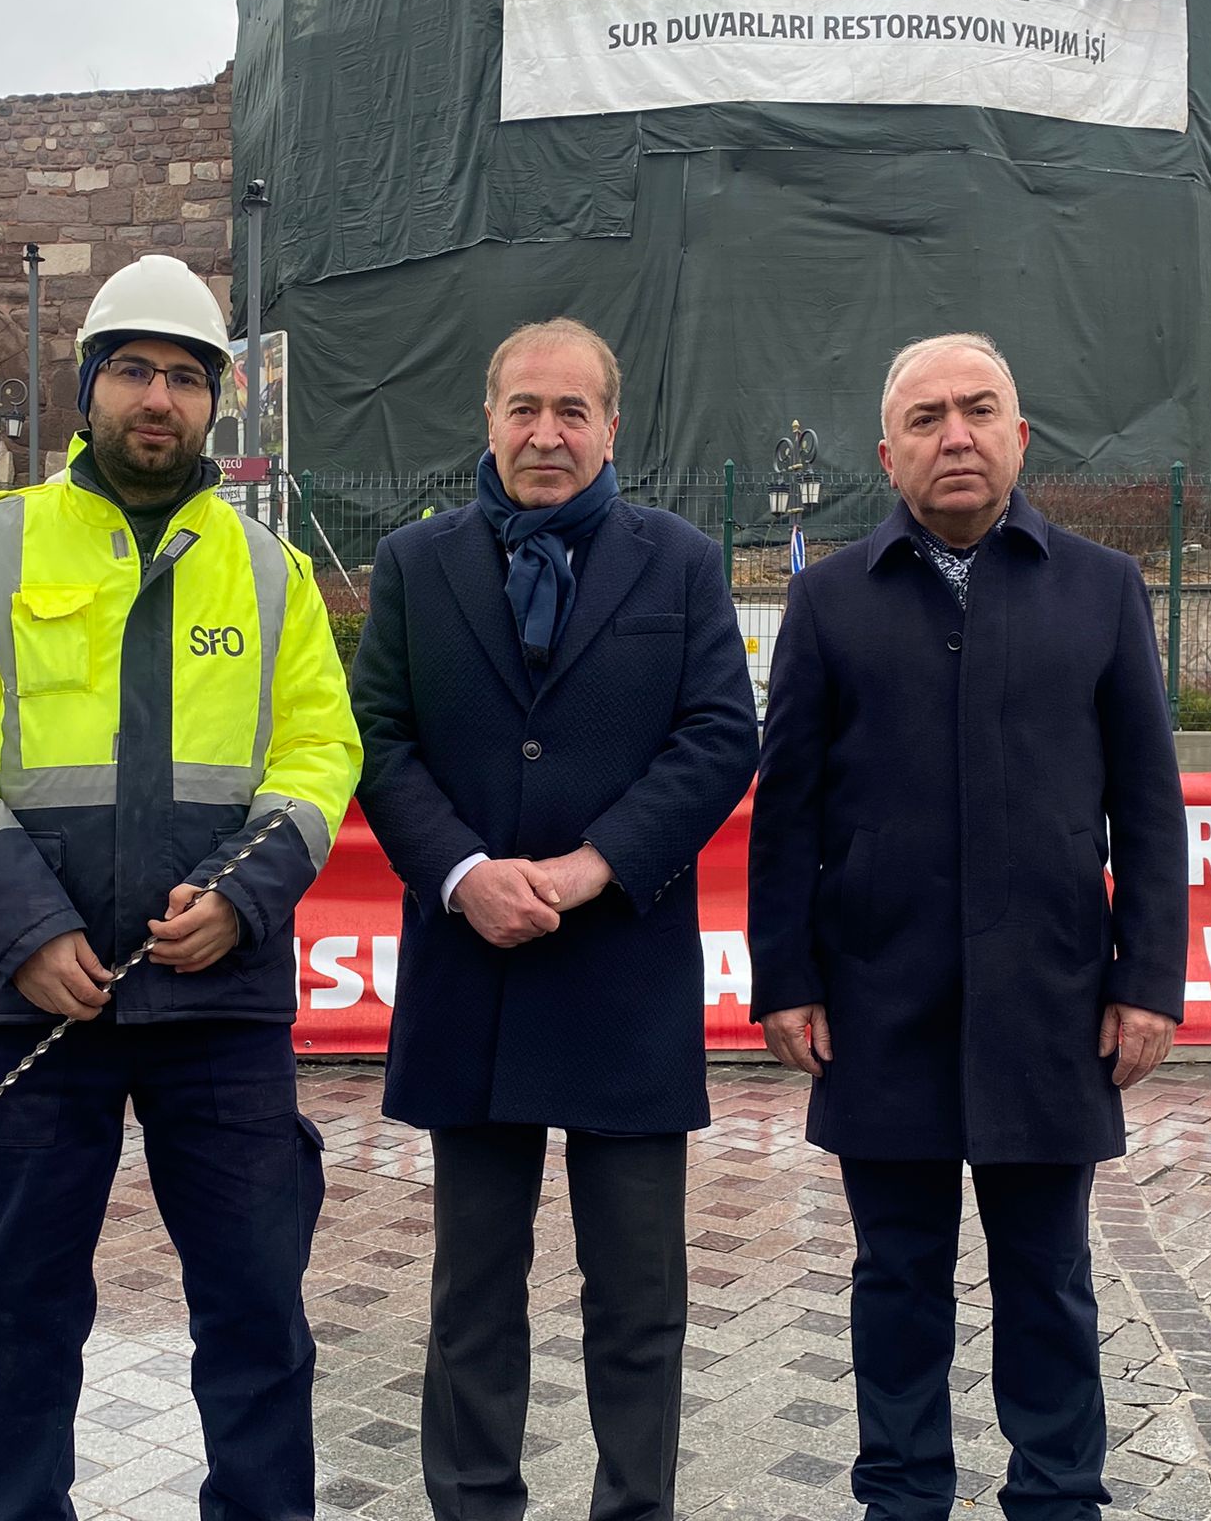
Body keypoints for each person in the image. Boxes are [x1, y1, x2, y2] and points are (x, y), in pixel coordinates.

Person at [0, 253, 362, 1521]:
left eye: (186, 378)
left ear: (214, 403)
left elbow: (320, 753)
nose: (159, 398)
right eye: (134, 371)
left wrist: (241, 897)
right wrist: (26, 928)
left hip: (221, 1004)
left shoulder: (269, 570)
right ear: (88, 387)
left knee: (256, 1315)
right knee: (17, 1320)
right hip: (32, 1002)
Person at [749, 333, 1189, 1521]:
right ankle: (900, 1496)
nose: (955, 435)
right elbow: (784, 813)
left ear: (1018, 436)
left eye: (978, 410)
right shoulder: (827, 600)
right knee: (895, 1280)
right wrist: (782, 978)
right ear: (885, 455)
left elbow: (1148, 806)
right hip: (878, 1003)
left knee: (1048, 1280)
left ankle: (1057, 1494)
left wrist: (1146, 979)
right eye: (926, 417)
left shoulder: (1100, 588)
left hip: (1050, 1004)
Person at [351, 319, 758, 1521]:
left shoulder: (677, 562)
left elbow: (718, 736)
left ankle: (634, 1508)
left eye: (570, 411)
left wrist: (593, 867)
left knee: (638, 1299)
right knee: (472, 1295)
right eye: (523, 408)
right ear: (487, 419)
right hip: (468, 976)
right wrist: (462, 871)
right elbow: (376, 738)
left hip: (620, 976)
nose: (545, 433)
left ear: (609, 428)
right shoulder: (414, 564)